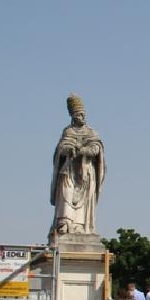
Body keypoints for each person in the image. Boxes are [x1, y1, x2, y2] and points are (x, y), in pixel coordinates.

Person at [49, 93, 105, 244]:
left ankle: (80, 226)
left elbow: (97, 148)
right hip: (69, 170)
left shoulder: (91, 132)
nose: (82, 117)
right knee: (66, 193)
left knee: (83, 201)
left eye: (83, 114)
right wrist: (69, 149)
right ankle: (64, 223)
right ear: (73, 116)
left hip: (86, 172)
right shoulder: (68, 131)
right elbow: (61, 148)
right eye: (78, 114)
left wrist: (85, 150)